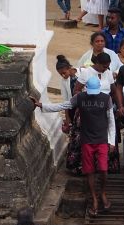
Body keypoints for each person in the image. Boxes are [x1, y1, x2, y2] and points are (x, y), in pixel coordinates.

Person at [34, 73, 115, 215]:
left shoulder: (106, 99)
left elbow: (111, 121)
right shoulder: (80, 98)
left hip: (101, 140)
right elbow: (63, 105)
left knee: (103, 169)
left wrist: (111, 141)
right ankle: (95, 199)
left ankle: (102, 193)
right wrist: (42, 105)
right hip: (87, 140)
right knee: (89, 171)